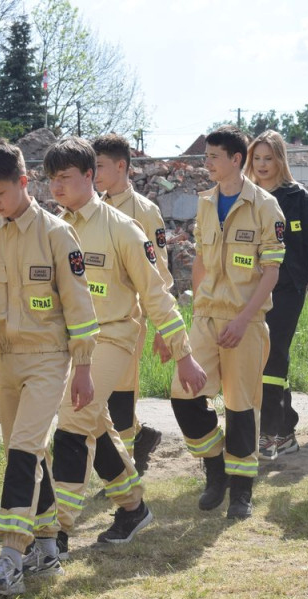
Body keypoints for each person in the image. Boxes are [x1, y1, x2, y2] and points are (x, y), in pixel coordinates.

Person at [45, 137, 206, 555]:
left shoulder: (122, 228)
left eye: (65, 178)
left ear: (89, 176)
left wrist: (183, 354)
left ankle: (53, 535)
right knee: (97, 424)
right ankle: (132, 508)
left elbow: (156, 293)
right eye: (51, 179)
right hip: (69, 343)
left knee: (73, 422)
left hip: (113, 337)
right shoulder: (54, 227)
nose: (56, 187)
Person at [0, 140, 98, 597]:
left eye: (0, 193)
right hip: (6, 360)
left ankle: (10, 557)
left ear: (24, 183)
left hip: (48, 358)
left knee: (24, 448)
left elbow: (80, 307)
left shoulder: (58, 235)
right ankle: (46, 545)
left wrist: (82, 368)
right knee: (28, 452)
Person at [170, 126, 285, 519]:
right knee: (183, 396)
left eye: (213, 156)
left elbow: (271, 273)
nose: (207, 163)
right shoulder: (205, 203)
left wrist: (243, 320)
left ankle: (241, 491)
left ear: (237, 160)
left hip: (245, 323)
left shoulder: (265, 206)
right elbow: (201, 261)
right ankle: (215, 466)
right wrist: (196, 310)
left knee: (240, 406)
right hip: (205, 317)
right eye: (206, 157)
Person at [244, 130, 308, 459]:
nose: (263, 165)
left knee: (274, 354)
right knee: (262, 358)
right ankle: (288, 428)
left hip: (289, 288)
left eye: (269, 158)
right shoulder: (246, 195)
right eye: (257, 159)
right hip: (251, 288)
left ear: (281, 159)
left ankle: (269, 434)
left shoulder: (297, 196)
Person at [92, 133, 169, 474]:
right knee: (99, 397)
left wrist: (164, 327)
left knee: (120, 397)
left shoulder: (144, 211)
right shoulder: (93, 207)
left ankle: (122, 474)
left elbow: (160, 273)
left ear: (121, 166)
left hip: (128, 319)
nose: (93, 173)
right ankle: (141, 437)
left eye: (99, 166)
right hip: (93, 317)